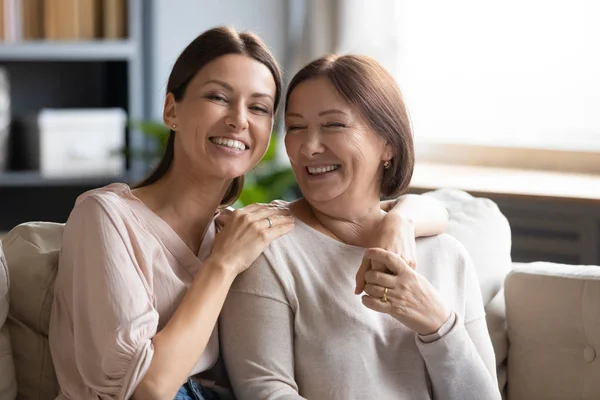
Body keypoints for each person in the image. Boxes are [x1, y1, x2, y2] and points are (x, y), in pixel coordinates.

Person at [48, 27, 447, 400]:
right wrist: (222, 264)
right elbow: (148, 390)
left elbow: (439, 210)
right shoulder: (105, 217)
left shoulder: (243, 226)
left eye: (258, 107)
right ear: (172, 110)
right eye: (218, 97)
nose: (239, 119)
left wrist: (400, 222)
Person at [220, 54, 501, 400]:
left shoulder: (447, 255)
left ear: (388, 144)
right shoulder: (268, 246)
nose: (308, 147)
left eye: (334, 125)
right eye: (295, 127)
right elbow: (266, 391)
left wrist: (439, 325)